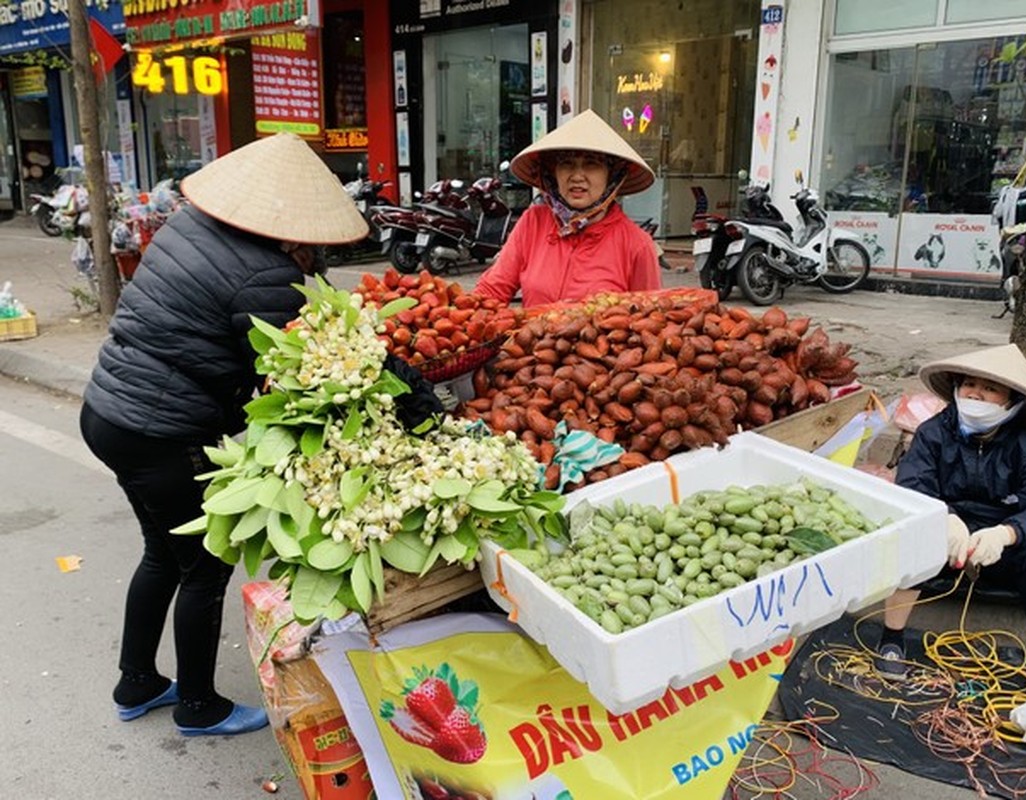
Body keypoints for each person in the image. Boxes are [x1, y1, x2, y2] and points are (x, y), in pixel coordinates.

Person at [80, 134, 441, 736]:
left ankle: (136, 681)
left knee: (160, 554)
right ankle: (199, 706)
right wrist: (404, 388)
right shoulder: (264, 275)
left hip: (108, 414)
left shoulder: (188, 226)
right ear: (296, 230)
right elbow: (309, 369)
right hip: (164, 432)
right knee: (202, 567)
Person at [875, 344, 1026, 698]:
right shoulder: (933, 433)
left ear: (1011, 400)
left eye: (990, 388)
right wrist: (944, 520)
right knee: (910, 543)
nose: (976, 394)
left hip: (999, 539)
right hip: (946, 532)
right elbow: (911, 488)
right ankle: (891, 641)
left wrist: (1006, 534)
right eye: (969, 384)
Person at [474, 109, 661, 307]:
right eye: (566, 163)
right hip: (532, 337)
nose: (577, 176)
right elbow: (493, 289)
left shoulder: (637, 245)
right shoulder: (533, 222)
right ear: (553, 173)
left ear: (612, 176)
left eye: (592, 164)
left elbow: (648, 317)